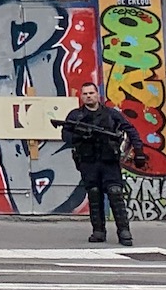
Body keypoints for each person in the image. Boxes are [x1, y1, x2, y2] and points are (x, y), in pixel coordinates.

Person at [61, 81, 144, 246]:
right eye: (85, 94)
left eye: (91, 93)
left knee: (115, 193)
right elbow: (65, 134)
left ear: (97, 94)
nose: (88, 96)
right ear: (81, 96)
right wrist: (80, 136)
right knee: (94, 194)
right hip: (88, 161)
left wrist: (139, 152)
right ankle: (98, 231)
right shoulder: (76, 116)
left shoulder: (111, 114)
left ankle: (124, 232)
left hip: (109, 161)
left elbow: (130, 129)